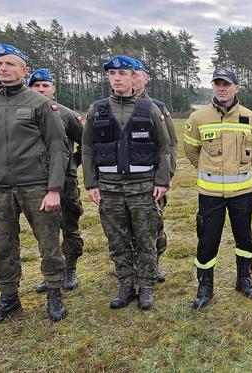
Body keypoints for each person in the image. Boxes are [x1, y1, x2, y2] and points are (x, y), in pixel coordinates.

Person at [0, 44, 70, 323]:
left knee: (48, 242)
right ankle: (9, 299)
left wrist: (54, 189)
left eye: (10, 64)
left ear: (24, 70)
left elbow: (57, 147)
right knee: (3, 245)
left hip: (36, 186)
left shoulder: (39, 104)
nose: (4, 68)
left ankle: (54, 293)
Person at [82, 55, 171, 310]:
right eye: (112, 74)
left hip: (143, 187)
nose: (117, 78)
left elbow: (165, 147)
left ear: (135, 77)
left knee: (146, 238)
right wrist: (91, 184)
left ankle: (146, 286)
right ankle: (125, 284)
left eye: (123, 73)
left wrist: (162, 181)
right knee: (117, 240)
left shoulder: (149, 108)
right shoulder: (97, 109)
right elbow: (87, 149)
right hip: (109, 189)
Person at [183, 67, 252, 308]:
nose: (221, 88)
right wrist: (211, 169)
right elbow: (191, 150)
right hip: (210, 194)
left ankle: (244, 280)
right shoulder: (198, 117)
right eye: (217, 83)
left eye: (226, 84)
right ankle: (205, 288)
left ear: (236, 88)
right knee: (207, 242)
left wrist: (236, 171)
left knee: (245, 239)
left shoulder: (250, 117)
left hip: (242, 193)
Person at [28, 68, 85, 291]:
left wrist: (72, 164)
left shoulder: (66, 114)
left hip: (65, 182)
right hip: (34, 181)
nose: (41, 89)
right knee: (44, 231)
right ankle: (51, 273)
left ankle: (70, 268)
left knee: (69, 225)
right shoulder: (24, 113)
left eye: (45, 85)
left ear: (53, 88)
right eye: (36, 86)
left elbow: (86, 144)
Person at [131, 58, 178, 283]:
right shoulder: (107, 106)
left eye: (136, 74)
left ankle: (154, 264)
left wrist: (166, 175)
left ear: (145, 78)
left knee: (154, 224)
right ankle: (130, 267)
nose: (131, 79)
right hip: (121, 180)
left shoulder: (157, 107)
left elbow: (170, 143)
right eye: (126, 74)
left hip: (151, 179)